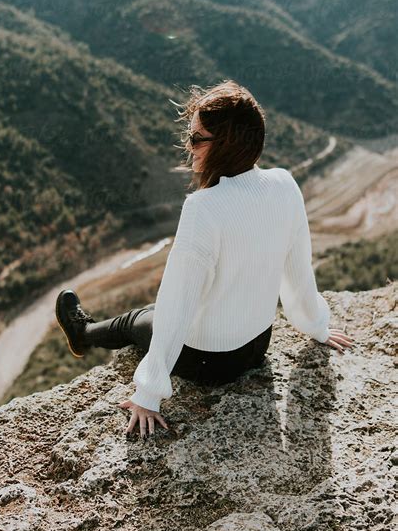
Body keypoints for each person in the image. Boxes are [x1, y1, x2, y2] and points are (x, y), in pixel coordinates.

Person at [55, 80, 354, 440]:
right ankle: (86, 333)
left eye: (197, 138)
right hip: (258, 346)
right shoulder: (284, 183)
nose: (189, 147)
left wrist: (148, 394)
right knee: (161, 309)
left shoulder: (203, 209)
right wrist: (316, 325)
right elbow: (298, 268)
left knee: (141, 319)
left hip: (211, 363)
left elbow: (177, 303)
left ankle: (82, 334)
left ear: (225, 146)